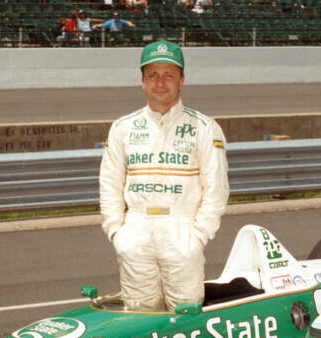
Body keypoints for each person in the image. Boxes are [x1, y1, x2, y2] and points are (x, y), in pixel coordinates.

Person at [98, 40, 229, 311]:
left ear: (181, 81)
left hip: (181, 230)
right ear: (142, 81)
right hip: (135, 231)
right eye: (153, 75)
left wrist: (199, 236)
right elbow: (109, 184)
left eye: (169, 75)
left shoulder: (203, 127)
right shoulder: (123, 127)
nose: (160, 82)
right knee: (139, 317)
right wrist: (116, 232)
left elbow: (216, 188)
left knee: (186, 315)